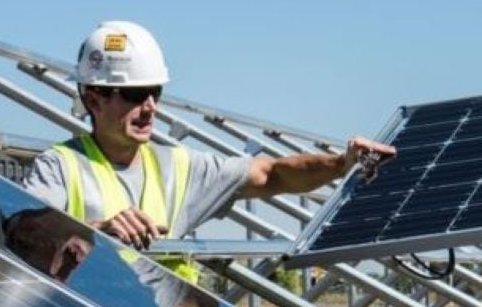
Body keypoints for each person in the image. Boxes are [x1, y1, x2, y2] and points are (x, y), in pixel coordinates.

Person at [21, 20, 395, 281]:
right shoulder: (60, 167)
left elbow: (272, 174)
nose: (151, 107)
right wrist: (97, 231)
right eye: (135, 95)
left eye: (156, 92)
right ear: (93, 98)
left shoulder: (180, 166)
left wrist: (342, 163)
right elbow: (23, 241)